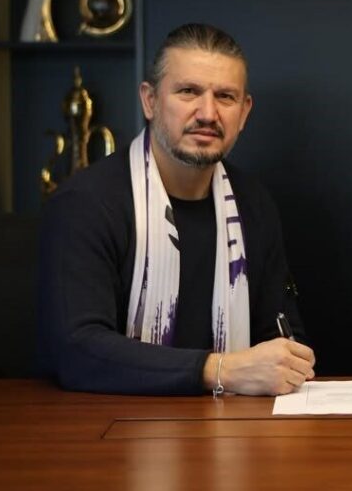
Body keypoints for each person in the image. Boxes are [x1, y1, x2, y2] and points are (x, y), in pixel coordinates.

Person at [38, 23, 315, 396]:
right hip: (110, 424)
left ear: (244, 113)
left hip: (231, 424)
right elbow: (77, 351)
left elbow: (282, 335)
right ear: (150, 101)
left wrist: (290, 362)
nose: (208, 113)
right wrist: (219, 370)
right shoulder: (85, 204)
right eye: (188, 92)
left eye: (225, 97)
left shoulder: (254, 204)